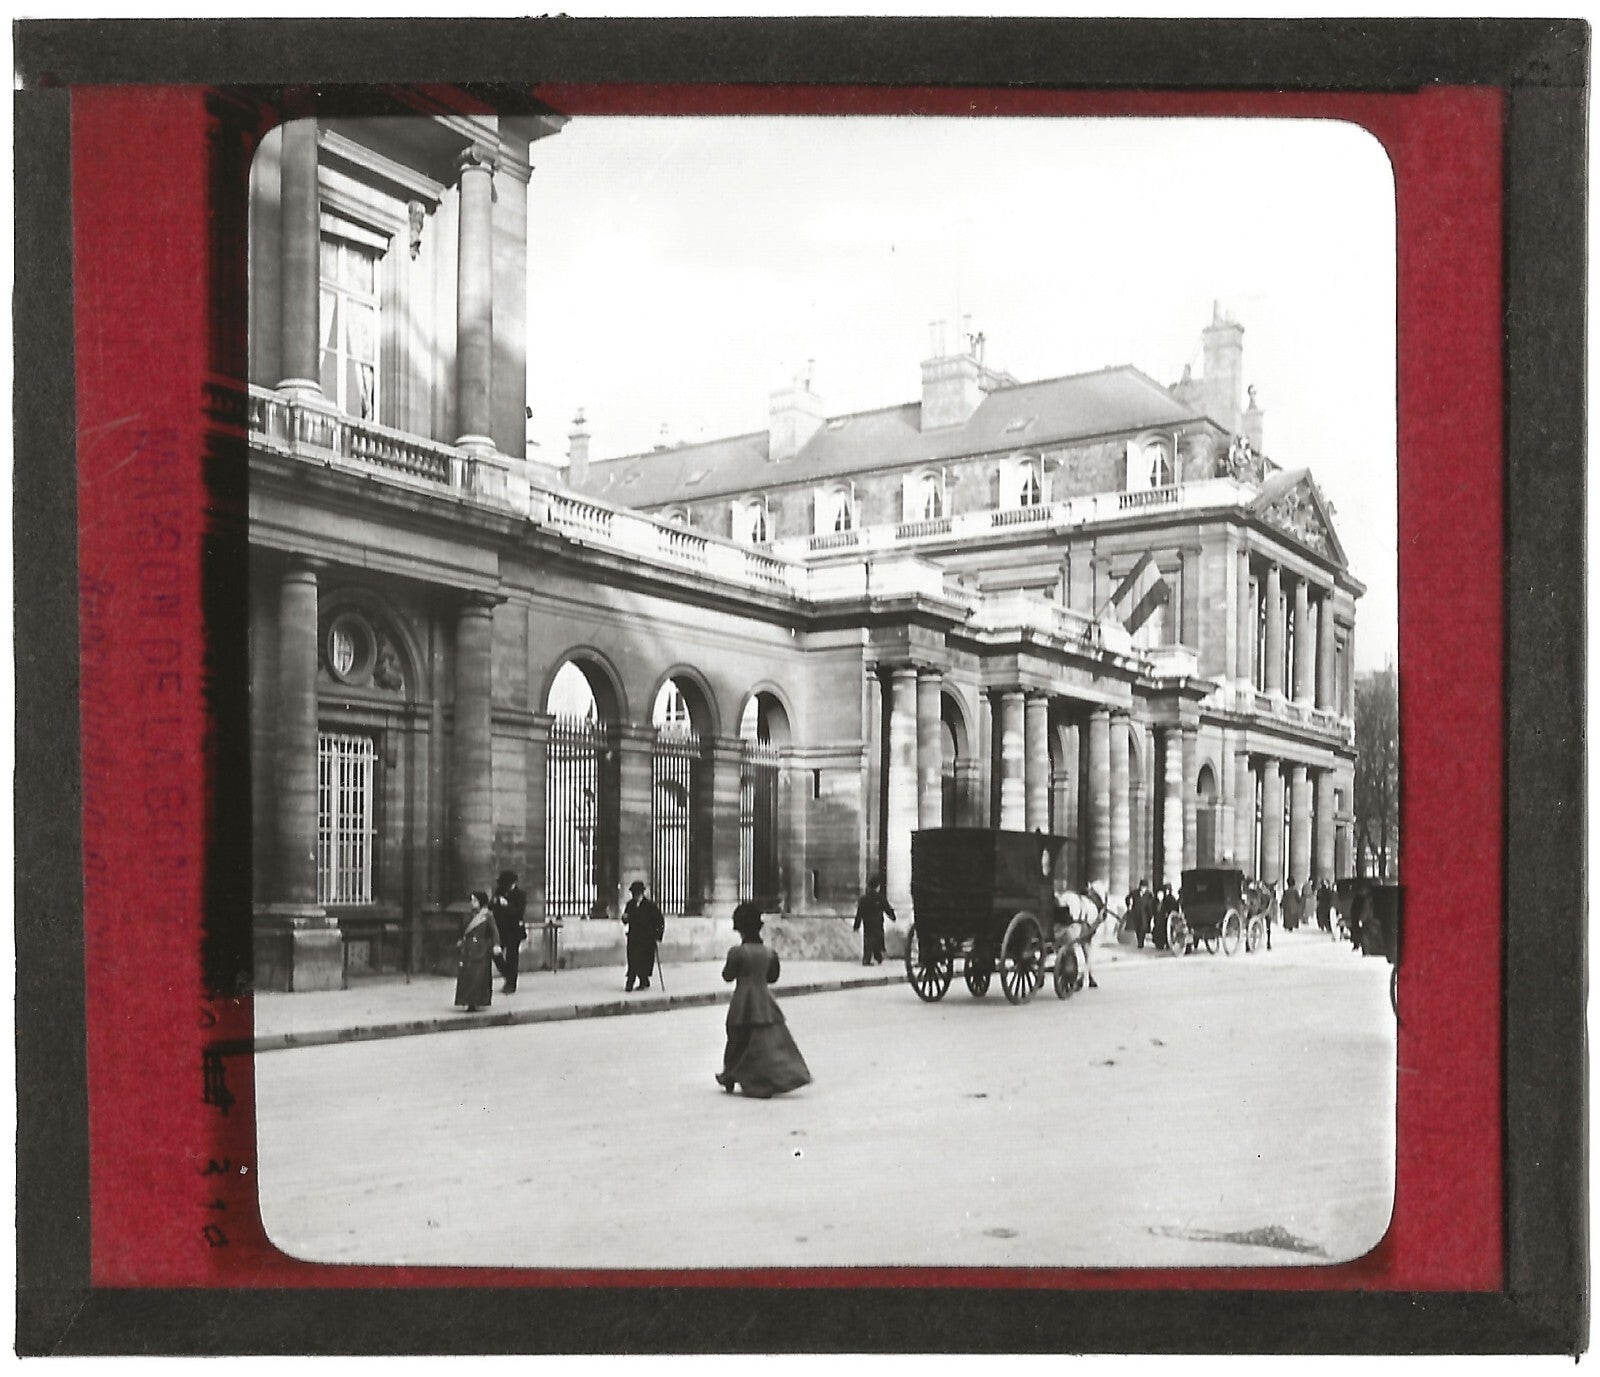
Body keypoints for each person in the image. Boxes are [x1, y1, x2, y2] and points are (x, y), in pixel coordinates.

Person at [716, 903, 812, 1098]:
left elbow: (727, 975)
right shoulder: (770, 953)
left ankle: (730, 1074)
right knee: (766, 1042)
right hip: (764, 1000)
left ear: (740, 929)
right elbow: (772, 978)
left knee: (736, 1039)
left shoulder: (737, 953)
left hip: (743, 1000)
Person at [454, 890, 498, 1013]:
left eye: (474, 900)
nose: (472, 903)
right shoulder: (467, 915)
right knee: (467, 976)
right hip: (468, 949)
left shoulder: (487, 915)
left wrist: (496, 945)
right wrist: (460, 940)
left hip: (481, 950)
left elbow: (494, 932)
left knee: (478, 976)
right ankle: (467, 1001)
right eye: (471, 900)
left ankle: (476, 1001)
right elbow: (462, 930)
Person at [622, 879, 665, 992]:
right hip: (633, 938)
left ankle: (641, 980)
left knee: (643, 961)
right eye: (633, 893)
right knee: (632, 960)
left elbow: (660, 921)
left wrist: (657, 935)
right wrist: (625, 918)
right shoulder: (630, 905)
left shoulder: (650, 906)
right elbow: (626, 918)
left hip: (646, 939)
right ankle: (632, 982)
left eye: (636, 892)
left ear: (641, 893)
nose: (634, 895)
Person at [490, 868, 527, 993]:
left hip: (514, 931)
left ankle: (511, 984)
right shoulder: (499, 892)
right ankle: (507, 974)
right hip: (501, 931)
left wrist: (507, 905)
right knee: (495, 954)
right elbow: (491, 907)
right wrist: (495, 902)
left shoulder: (520, 895)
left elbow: (518, 912)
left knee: (512, 957)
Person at [852, 874, 896, 966]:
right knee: (877, 940)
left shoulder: (863, 899)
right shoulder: (880, 898)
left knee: (868, 940)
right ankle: (877, 957)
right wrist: (892, 917)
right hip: (878, 923)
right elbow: (887, 908)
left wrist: (856, 926)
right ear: (878, 887)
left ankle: (868, 958)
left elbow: (859, 914)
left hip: (867, 924)